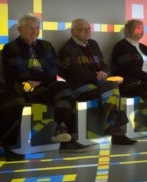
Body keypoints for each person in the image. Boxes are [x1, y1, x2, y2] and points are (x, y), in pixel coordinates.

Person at [2, 14, 88, 152]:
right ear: (19, 29)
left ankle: (62, 129)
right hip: (25, 86)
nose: (35, 32)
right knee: (52, 92)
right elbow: (20, 74)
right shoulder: (11, 48)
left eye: (37, 28)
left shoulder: (46, 46)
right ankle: (64, 136)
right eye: (31, 29)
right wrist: (44, 77)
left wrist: (40, 79)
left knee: (65, 88)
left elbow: (56, 70)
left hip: (42, 84)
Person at [58, 18, 136, 146]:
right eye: (83, 29)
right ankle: (116, 131)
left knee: (112, 86)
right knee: (110, 92)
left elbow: (103, 64)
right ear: (73, 32)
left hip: (98, 82)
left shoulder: (93, 44)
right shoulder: (67, 49)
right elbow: (76, 73)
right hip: (78, 86)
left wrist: (104, 72)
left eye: (89, 28)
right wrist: (97, 77)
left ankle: (115, 129)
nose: (87, 31)